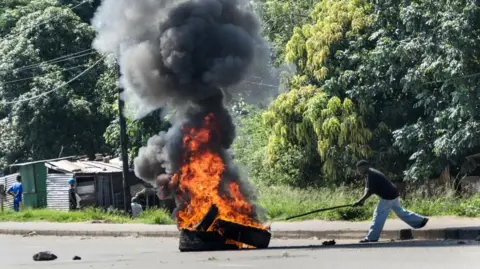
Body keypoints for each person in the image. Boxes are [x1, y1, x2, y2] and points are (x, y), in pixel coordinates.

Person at [353, 160, 429, 243]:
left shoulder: (371, 174)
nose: (359, 171)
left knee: (378, 214)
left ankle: (372, 237)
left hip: (388, 196)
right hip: (393, 193)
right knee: (400, 212)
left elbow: (370, 191)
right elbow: (367, 188)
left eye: (360, 169)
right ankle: (421, 220)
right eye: (358, 169)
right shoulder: (368, 174)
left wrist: (360, 200)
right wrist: (361, 201)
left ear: (366, 167)